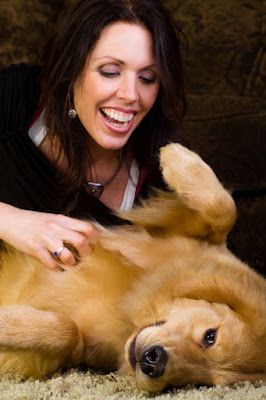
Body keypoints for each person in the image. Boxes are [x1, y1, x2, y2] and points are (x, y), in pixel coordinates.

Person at [0, 0, 186, 271]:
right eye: (110, 72)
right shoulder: (15, 96)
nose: (130, 95)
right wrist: (11, 221)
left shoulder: (165, 178)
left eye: (147, 78)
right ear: (71, 69)